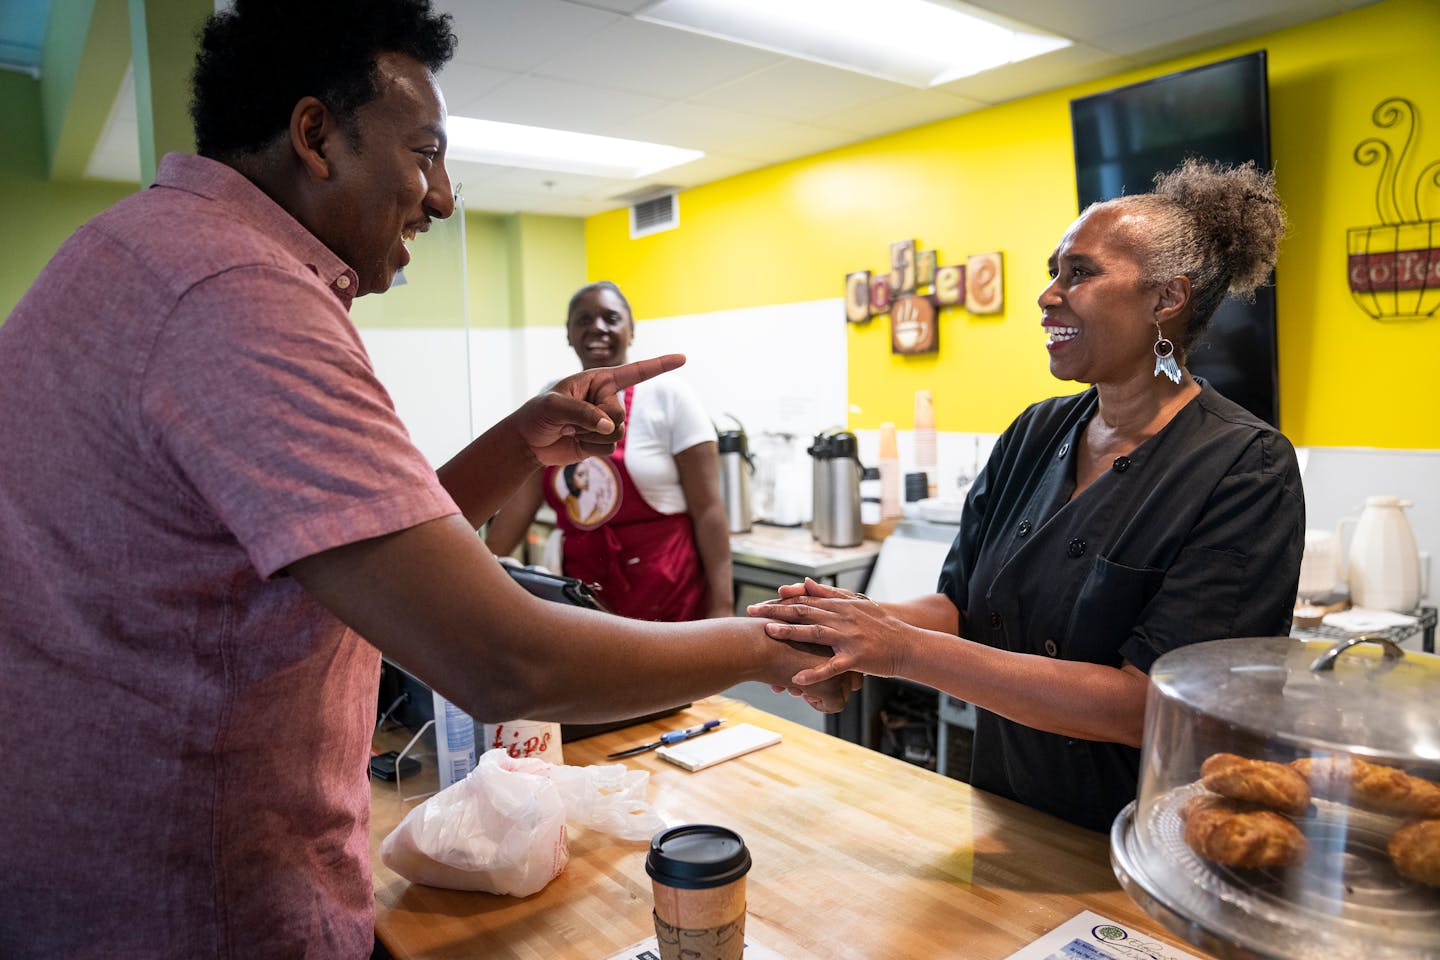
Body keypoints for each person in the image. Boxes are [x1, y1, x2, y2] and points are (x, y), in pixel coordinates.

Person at [0, 3, 849, 957]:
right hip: (185, 904)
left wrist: (516, 441)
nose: (443, 197)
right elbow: (500, 662)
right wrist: (763, 642)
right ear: (315, 135)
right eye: (425, 154)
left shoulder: (127, 252)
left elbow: (353, 541)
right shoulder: (238, 298)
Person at [754, 159, 1305, 833]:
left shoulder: (1243, 467)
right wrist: (848, 626)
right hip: (1006, 808)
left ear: (1167, 298)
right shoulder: (1036, 432)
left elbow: (1150, 706)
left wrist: (897, 648)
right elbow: (959, 607)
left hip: (1145, 841)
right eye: (1053, 271)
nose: (1047, 295)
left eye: (1080, 273)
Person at [486, 281, 735, 621]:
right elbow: (521, 504)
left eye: (611, 318)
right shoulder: (552, 401)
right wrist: (477, 579)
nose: (597, 327)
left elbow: (708, 510)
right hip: (583, 593)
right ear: (569, 334)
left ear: (631, 331)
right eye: (584, 319)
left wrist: (722, 607)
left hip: (665, 588)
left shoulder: (670, 396)